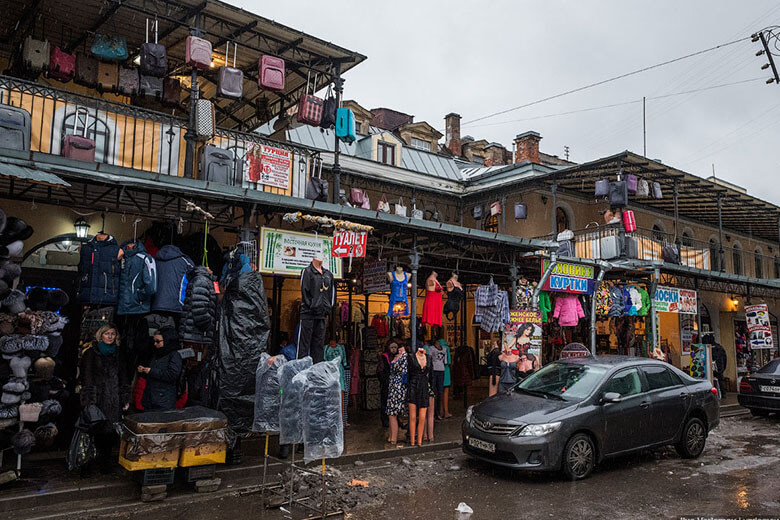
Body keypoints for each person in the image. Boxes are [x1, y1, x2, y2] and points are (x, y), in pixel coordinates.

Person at [79, 324, 130, 474]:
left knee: (108, 433)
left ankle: (105, 464)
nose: (110, 336)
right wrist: (89, 399)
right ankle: (87, 464)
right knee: (92, 431)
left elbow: (124, 377)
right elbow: (86, 377)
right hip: (96, 398)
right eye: (107, 333)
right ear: (100, 335)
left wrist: (125, 397)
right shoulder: (91, 353)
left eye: (112, 334)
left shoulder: (119, 354)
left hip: (113, 399)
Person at [137, 327, 183, 411]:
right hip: (151, 399)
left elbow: (172, 375)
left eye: (158, 341)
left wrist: (151, 371)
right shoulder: (157, 354)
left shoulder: (174, 355)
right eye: (154, 341)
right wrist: (144, 370)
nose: (155, 344)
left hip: (163, 401)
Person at [407, 345, 432, 447]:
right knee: (413, 416)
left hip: (424, 386)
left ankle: (420, 441)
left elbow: (432, 375)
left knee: (422, 416)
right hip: (413, 385)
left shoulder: (429, 358)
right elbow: (408, 373)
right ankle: (413, 441)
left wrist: (432, 389)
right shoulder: (411, 357)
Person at [385, 344, 407, 445]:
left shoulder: (404, 357)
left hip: (398, 387)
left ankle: (393, 438)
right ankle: (391, 436)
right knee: (391, 413)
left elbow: (403, 372)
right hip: (394, 385)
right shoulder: (399, 356)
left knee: (393, 413)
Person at [324, 338, 349, 425]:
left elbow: (344, 360)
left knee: (341, 395)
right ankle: (331, 421)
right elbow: (324, 360)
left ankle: (341, 422)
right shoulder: (326, 348)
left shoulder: (341, 348)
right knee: (330, 397)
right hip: (329, 372)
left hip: (340, 372)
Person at [426, 339, 447, 420]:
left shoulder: (444, 349)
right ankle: (433, 412)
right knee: (433, 391)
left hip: (441, 370)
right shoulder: (431, 349)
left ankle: (437, 412)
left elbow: (445, 361)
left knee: (440, 392)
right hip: (434, 370)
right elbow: (430, 360)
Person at [440, 339, 453, 418]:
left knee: (439, 393)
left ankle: (440, 411)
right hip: (446, 371)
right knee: (445, 392)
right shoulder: (446, 348)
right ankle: (446, 411)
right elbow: (448, 361)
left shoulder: (435, 348)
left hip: (438, 371)